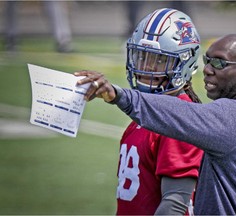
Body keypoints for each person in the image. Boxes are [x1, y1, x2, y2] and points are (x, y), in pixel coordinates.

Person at [75, 33, 236, 215]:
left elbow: (180, 113)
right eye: (207, 60)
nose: (208, 69)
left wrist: (117, 95)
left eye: (219, 63)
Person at [76, 8, 203, 215]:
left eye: (159, 60)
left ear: (184, 62)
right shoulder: (146, 111)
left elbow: (174, 204)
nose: (146, 67)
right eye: (142, 56)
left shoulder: (179, 120)